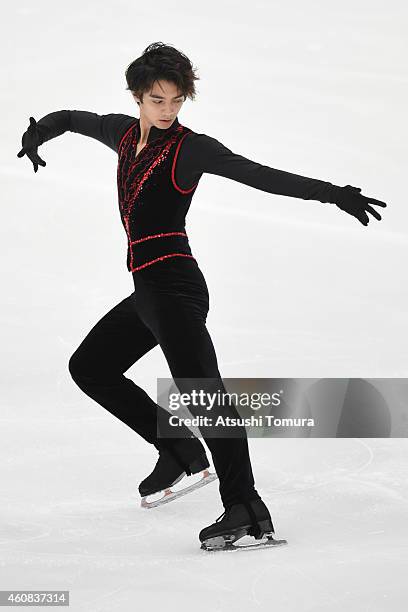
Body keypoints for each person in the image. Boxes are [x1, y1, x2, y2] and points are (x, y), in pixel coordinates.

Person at [17, 41, 387, 551]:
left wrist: (333, 192)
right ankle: (176, 448)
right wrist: (38, 133)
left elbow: (258, 174)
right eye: (157, 101)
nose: (168, 111)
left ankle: (245, 509)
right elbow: (72, 118)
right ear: (138, 98)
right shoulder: (122, 134)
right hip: (146, 291)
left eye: (176, 101)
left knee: (205, 395)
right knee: (91, 367)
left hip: (176, 286)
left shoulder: (190, 148)